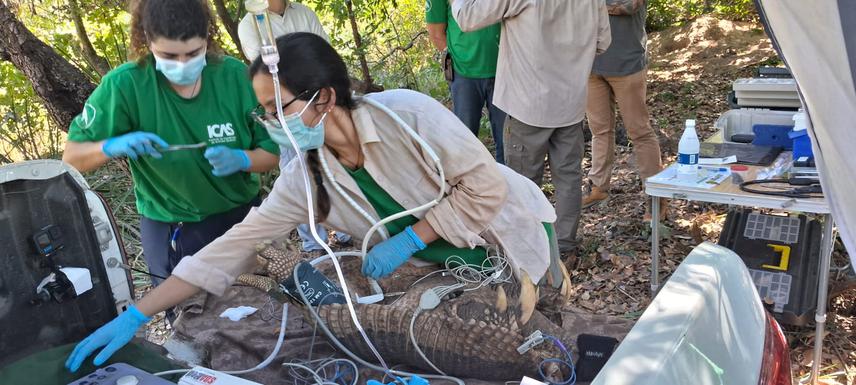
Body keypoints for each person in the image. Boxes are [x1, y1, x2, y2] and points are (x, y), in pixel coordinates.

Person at [65, 33, 568, 372]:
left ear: (323, 98)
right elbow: (235, 244)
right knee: (482, 347)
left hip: (510, 231)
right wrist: (136, 314)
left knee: (544, 323)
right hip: (450, 268)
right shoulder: (304, 177)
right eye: (261, 113)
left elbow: (485, 188)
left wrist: (414, 237)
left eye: (275, 109)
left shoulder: (408, 116)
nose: (268, 124)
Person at [62, 0, 279, 287]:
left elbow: (273, 152)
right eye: (169, 55)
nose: (182, 65)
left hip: (241, 219)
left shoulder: (234, 77)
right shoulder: (126, 86)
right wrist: (110, 146)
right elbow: (71, 159)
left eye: (193, 53)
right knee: (188, 318)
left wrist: (244, 159)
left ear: (208, 40)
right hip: (173, 227)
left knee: (259, 307)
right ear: (147, 41)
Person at [451, 0, 611, 260]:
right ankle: (564, 247)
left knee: (522, 184)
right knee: (569, 179)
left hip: (528, 105)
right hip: (570, 102)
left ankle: (527, 250)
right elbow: (603, 41)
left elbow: (467, 17)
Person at [237, 0, 351, 251]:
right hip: (286, 113)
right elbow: (268, 72)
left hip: (318, 106)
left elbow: (323, 55)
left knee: (334, 167)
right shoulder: (249, 24)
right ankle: (314, 243)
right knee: (296, 172)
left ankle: (346, 230)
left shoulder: (305, 13)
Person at [583, 0, 664, 221]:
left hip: (627, 64)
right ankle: (598, 186)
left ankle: (656, 197)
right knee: (599, 130)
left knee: (640, 132)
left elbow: (629, 6)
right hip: (591, 64)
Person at [426, 0, 506, 163]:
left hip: (504, 70)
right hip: (464, 74)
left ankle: (508, 185)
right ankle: (470, 186)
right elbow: (436, 33)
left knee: (507, 142)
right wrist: (459, 57)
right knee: (465, 141)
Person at [237, 0, 329, 61]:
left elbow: (327, 53)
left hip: (319, 85)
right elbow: (264, 71)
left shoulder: (305, 12)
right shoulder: (248, 25)